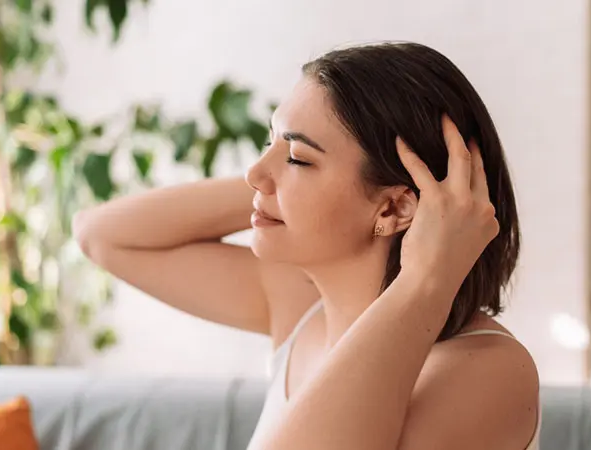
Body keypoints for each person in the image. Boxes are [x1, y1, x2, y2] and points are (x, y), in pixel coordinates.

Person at [73, 41, 540, 450]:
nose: (254, 171)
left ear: (393, 209)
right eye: (268, 141)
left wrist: (425, 279)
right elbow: (100, 236)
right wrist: (276, 182)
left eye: (298, 157)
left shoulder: (489, 373)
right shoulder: (302, 307)